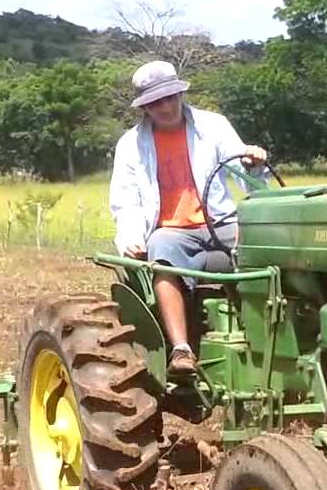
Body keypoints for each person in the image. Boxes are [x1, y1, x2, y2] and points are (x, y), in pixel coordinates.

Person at [108, 60, 268, 377]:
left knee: (266, 245)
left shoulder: (214, 126)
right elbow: (126, 201)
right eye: (155, 102)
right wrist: (129, 238)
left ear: (180, 94)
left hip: (219, 222)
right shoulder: (131, 145)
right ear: (145, 108)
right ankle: (181, 349)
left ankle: (266, 340)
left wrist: (253, 163)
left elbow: (245, 176)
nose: (165, 107)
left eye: (170, 98)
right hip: (170, 230)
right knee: (161, 250)